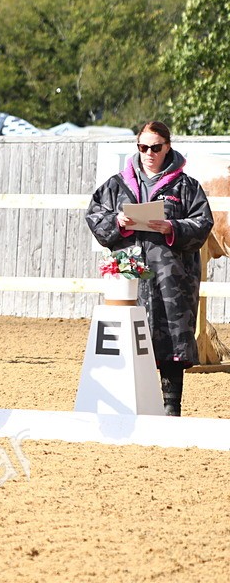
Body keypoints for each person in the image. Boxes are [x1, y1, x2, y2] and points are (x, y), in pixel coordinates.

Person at [84, 120, 213, 416]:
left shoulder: (186, 187)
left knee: (171, 339)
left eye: (155, 147)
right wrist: (117, 222)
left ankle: (171, 407)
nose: (149, 153)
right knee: (128, 338)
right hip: (130, 276)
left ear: (168, 147)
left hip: (172, 279)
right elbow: (94, 215)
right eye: (143, 147)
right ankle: (127, 404)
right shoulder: (117, 185)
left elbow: (202, 223)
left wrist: (172, 227)